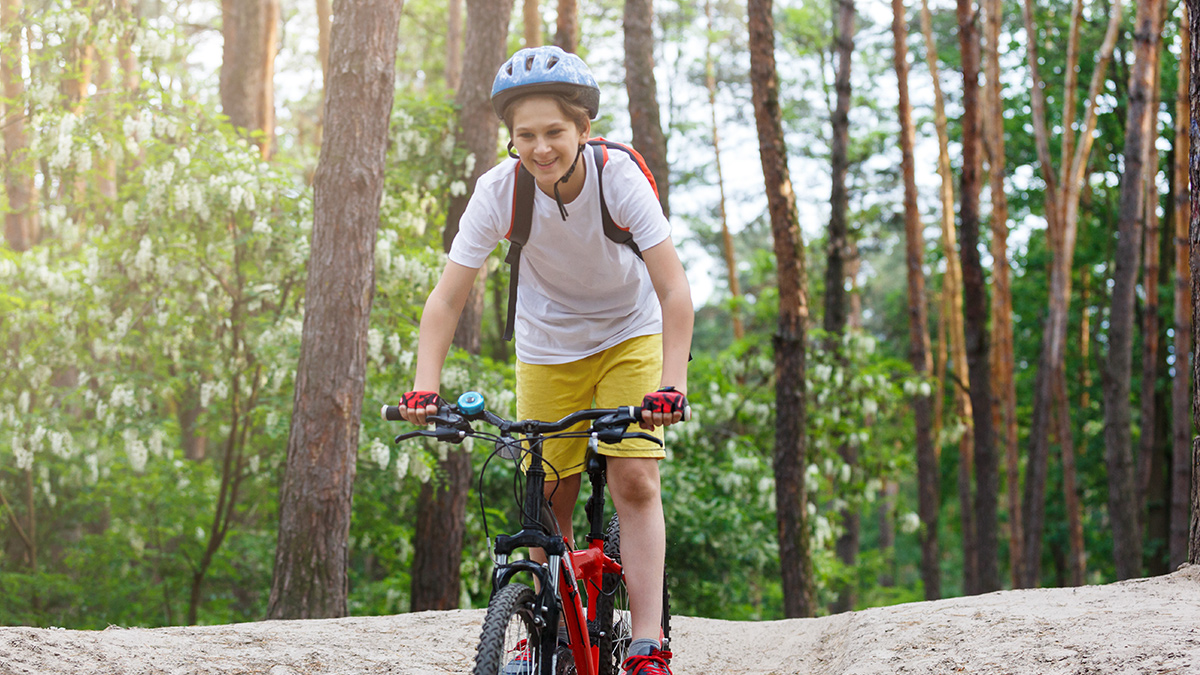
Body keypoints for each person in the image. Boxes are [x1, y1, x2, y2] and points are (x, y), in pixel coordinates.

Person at [398, 45, 692, 675]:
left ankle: (646, 643)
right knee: (547, 494)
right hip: (547, 345)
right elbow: (448, 297)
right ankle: (551, 630)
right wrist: (424, 388)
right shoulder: (499, 191)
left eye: (555, 132)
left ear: (583, 130)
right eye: (524, 135)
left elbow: (673, 290)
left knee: (633, 478)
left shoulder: (618, 177)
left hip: (628, 334)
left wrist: (673, 384)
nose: (540, 148)